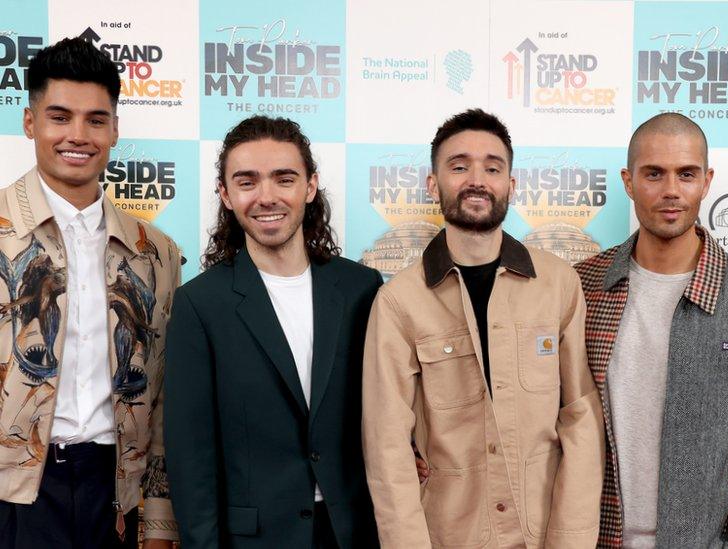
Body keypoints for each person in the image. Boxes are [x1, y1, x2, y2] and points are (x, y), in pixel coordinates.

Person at [362, 108, 604, 548]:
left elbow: (581, 422)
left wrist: (569, 540)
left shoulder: (559, 285)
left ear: (511, 185)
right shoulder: (398, 302)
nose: (477, 179)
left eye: (492, 167)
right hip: (449, 535)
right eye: (459, 166)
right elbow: (387, 447)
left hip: (542, 532)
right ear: (433, 185)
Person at [575, 113, 728, 548]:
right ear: (628, 181)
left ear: (707, 181)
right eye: (654, 173)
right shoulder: (582, 288)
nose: (671, 190)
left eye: (686, 174)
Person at [164, 116, 382, 548]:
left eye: (284, 179)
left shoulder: (362, 289)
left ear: (310, 186)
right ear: (225, 194)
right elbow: (191, 460)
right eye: (247, 182)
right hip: (254, 538)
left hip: (352, 532)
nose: (267, 197)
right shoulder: (199, 305)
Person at [0, 37, 181, 548]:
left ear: (115, 130)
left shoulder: (157, 253)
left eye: (96, 120)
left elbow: (164, 395)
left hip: (117, 495)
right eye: (59, 117)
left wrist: (162, 517)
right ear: (30, 123)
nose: (77, 135)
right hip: (11, 496)